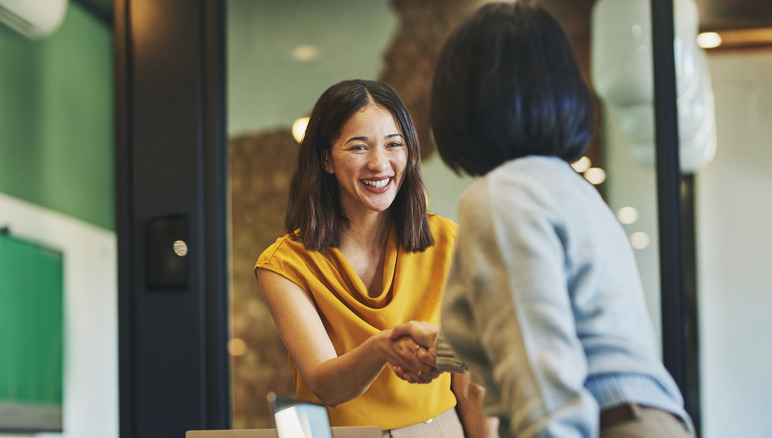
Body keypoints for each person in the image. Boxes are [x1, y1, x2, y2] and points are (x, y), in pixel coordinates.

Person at [395, 2, 695, 437]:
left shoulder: (501, 198)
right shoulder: (569, 188)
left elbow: (541, 375)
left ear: (464, 97)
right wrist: (441, 349)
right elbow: (564, 330)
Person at [255, 79, 493, 437]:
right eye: (359, 147)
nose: (380, 163)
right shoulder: (284, 265)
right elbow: (327, 385)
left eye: (394, 144)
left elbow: (473, 385)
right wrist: (385, 346)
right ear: (326, 159)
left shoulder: (449, 241)